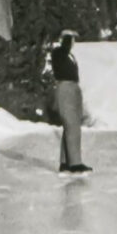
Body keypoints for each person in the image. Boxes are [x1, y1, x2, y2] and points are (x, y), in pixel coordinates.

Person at [50, 29, 92, 175]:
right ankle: (75, 163)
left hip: (72, 88)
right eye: (72, 39)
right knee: (72, 126)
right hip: (65, 88)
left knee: (71, 126)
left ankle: (65, 162)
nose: (74, 42)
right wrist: (65, 40)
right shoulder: (59, 53)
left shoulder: (69, 55)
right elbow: (60, 58)